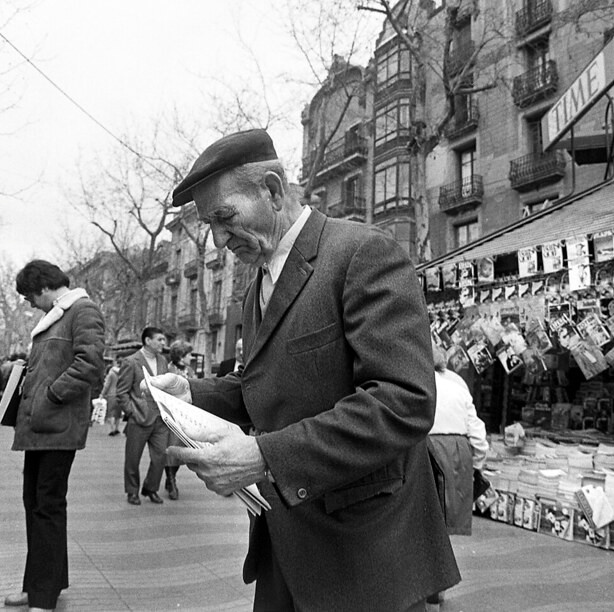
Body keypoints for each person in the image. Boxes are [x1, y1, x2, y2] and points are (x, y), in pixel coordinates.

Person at [148, 129, 459, 611]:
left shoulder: (362, 253)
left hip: (362, 555)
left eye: (224, 218)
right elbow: (266, 379)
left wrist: (265, 456)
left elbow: (403, 401)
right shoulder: (257, 285)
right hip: (284, 542)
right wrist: (194, 393)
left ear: (272, 190)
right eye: (209, 224)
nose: (218, 239)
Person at [3, 260, 105, 612]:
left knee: (47, 506)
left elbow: (90, 363)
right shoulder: (60, 314)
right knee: (36, 503)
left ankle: (43, 596)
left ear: (44, 286)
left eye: (30, 295)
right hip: (42, 427)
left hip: (58, 425)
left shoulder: (82, 310)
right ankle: (40, 585)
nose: (30, 303)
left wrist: (52, 393)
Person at [427, 342, 488, 607]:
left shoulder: (413, 384)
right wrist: (477, 464)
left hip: (425, 451)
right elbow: (478, 433)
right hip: (457, 454)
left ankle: (427, 584)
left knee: (423, 522)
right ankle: (438, 585)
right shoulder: (456, 385)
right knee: (444, 523)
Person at [115, 326, 170, 505]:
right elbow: (121, 392)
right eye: (160, 339)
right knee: (133, 458)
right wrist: (131, 411)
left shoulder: (163, 361)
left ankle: (150, 488)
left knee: (161, 456)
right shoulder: (131, 362)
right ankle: (132, 491)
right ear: (148, 340)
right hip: (138, 418)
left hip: (160, 418)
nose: (163, 343)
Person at [163, 340, 194, 500]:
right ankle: (171, 481)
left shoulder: (190, 370)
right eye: (189, 354)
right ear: (181, 356)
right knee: (171, 449)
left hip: (185, 418)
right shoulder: (169, 369)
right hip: (171, 415)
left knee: (179, 452)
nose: (191, 357)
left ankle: (171, 477)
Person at [100, 359, 122, 436]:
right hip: (120, 394)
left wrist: (102, 394)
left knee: (111, 412)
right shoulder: (122, 374)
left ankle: (112, 429)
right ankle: (117, 428)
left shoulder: (111, 373)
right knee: (118, 413)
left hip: (111, 395)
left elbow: (107, 385)